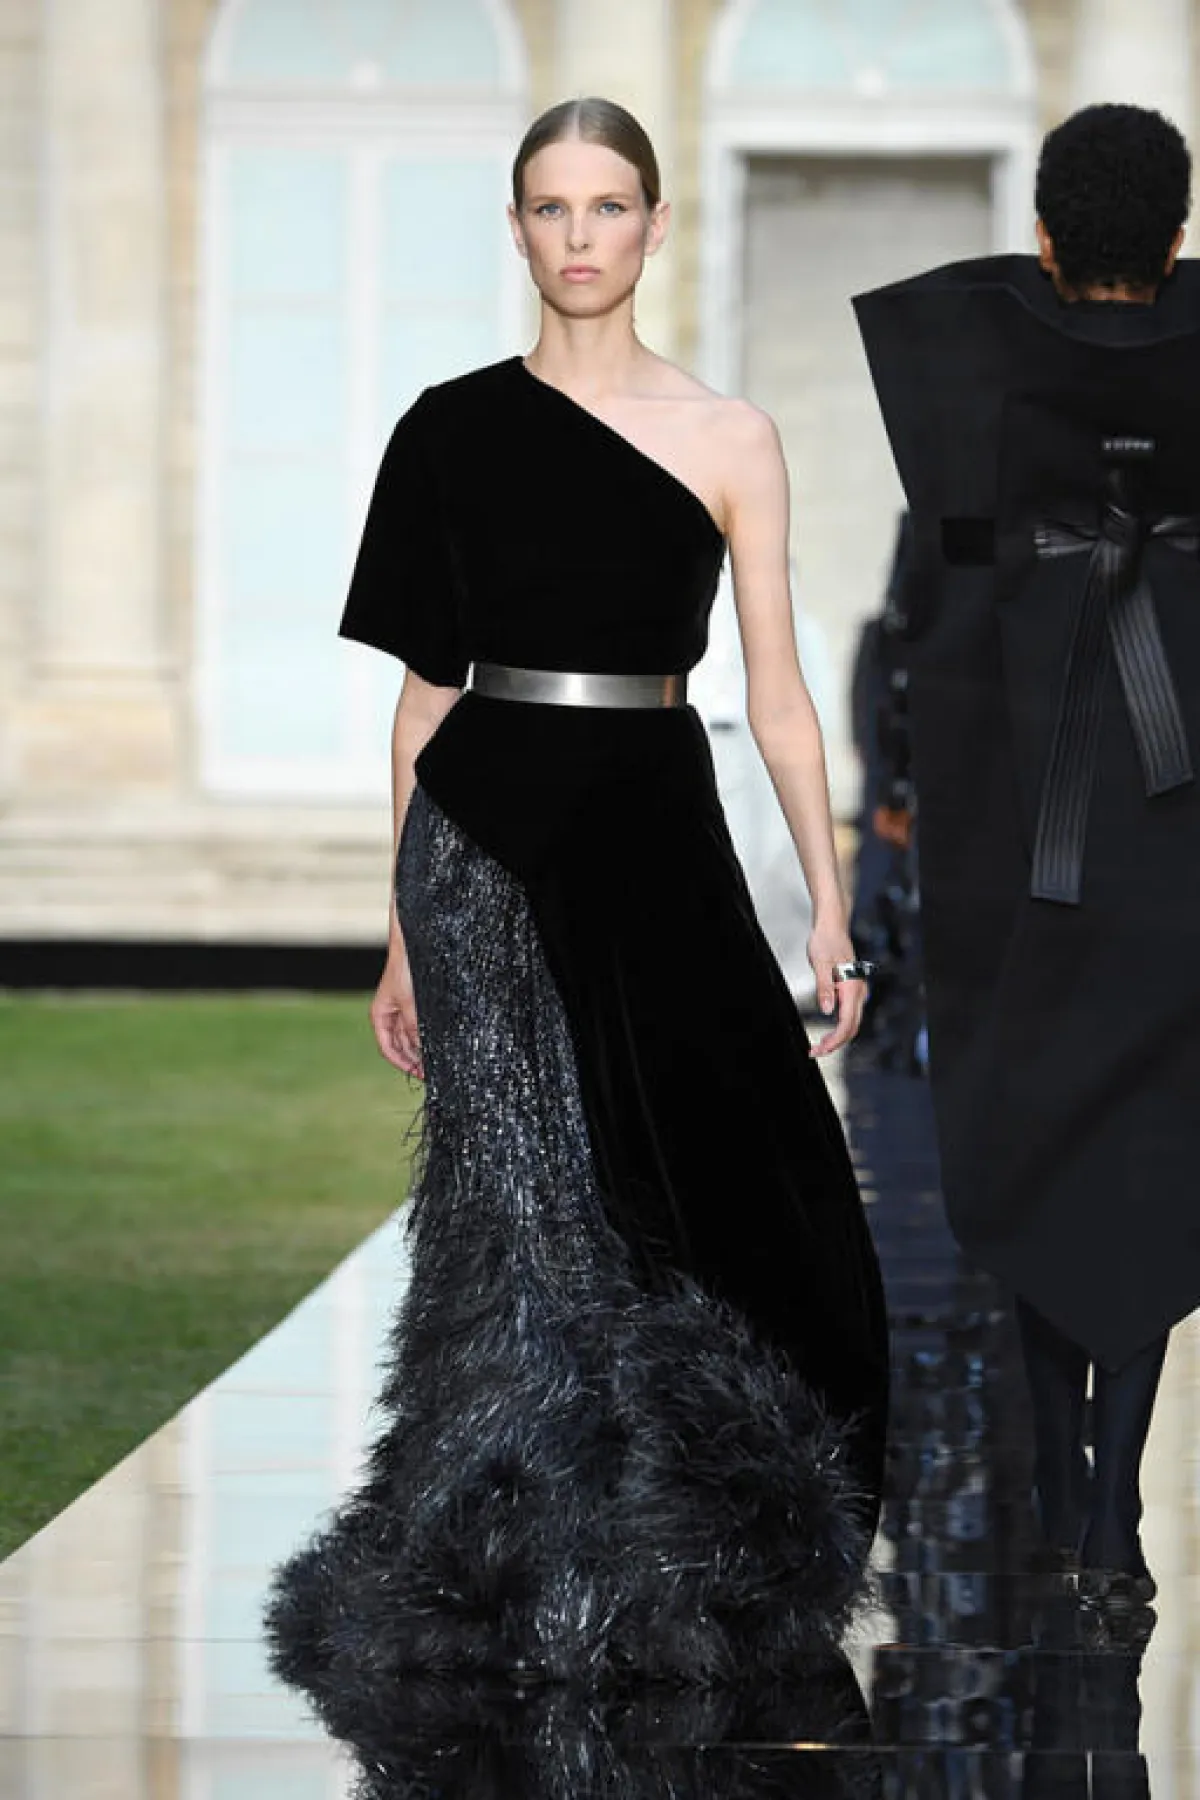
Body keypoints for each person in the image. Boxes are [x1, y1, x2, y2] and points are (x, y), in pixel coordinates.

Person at [261, 97, 889, 1745]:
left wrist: (829, 905)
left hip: (655, 821)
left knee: (727, 1181)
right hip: (484, 840)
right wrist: (400, 931)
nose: (581, 236)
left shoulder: (730, 436)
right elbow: (420, 706)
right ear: (520, 229)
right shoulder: (449, 430)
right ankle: (524, 1565)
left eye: (609, 206)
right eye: (552, 207)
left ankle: (668, 1537)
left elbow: (779, 693)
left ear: (655, 226)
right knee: (521, 1210)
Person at [854, 102, 1200, 1611]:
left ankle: (1063, 1493)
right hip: (1179, 829)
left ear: (1046, 236)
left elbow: (936, 612)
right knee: (1154, 1148)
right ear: (1179, 236)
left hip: (1023, 833)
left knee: (1038, 1137)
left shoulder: (969, 376)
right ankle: (1113, 1513)